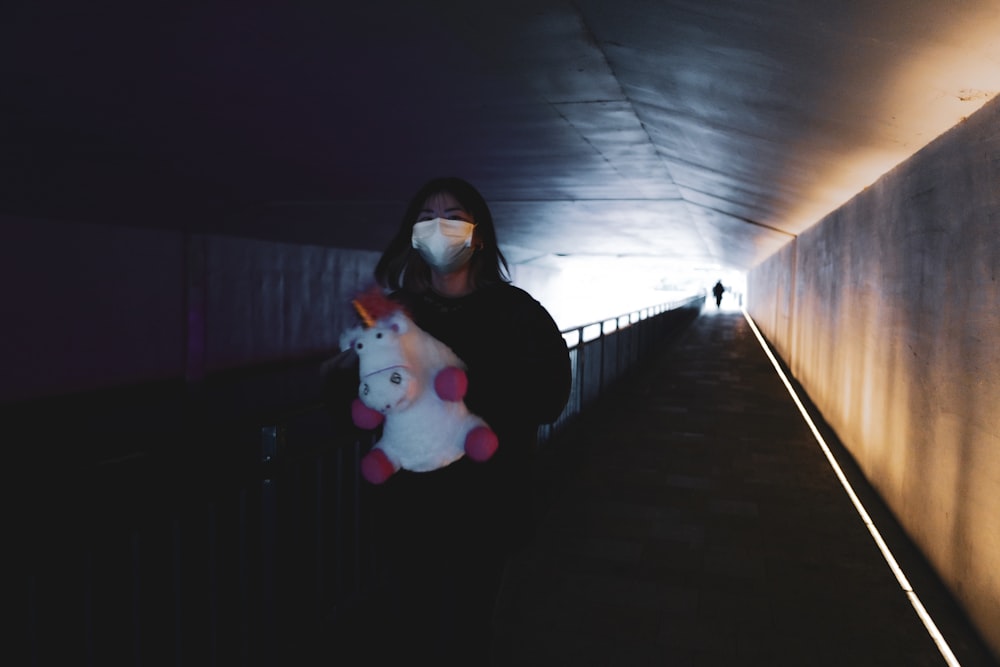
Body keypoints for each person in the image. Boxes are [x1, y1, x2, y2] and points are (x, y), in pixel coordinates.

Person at [324, 176, 572, 665]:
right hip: (408, 511)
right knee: (410, 629)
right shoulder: (395, 313)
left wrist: (463, 389)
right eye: (425, 218)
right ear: (411, 236)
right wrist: (350, 389)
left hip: (486, 509)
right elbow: (355, 386)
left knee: (465, 631)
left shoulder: (517, 312)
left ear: (478, 235)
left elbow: (550, 395)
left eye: (454, 217)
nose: (439, 228)